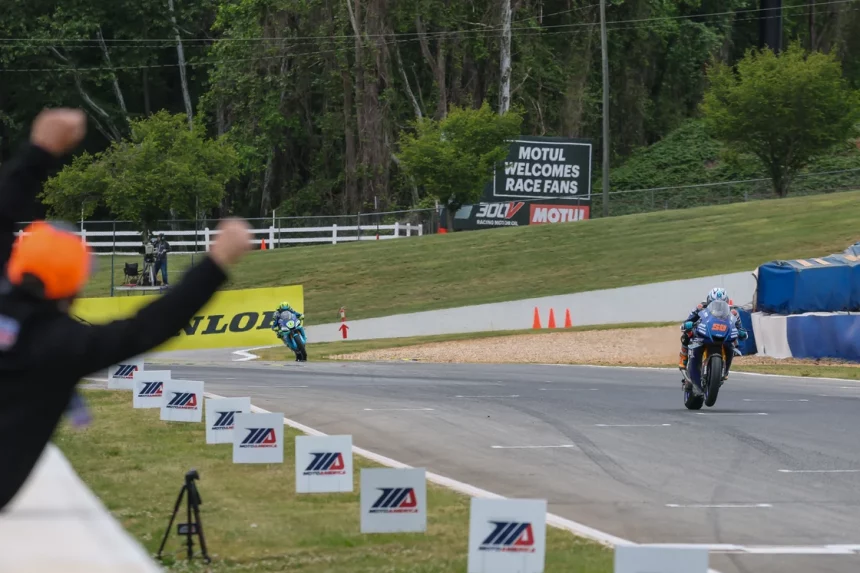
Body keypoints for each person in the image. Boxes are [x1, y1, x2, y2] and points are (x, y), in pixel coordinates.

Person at [0, 109, 252, 511]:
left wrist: (39, 151)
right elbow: (150, 326)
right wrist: (216, 263)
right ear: (77, 285)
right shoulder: (63, 346)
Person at [678, 287, 748, 383]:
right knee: (687, 334)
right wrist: (688, 324)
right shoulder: (700, 308)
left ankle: (725, 369)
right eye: (715, 303)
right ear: (709, 301)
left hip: (723, 334)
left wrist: (741, 333)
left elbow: (740, 328)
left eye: (722, 304)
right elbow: (687, 322)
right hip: (703, 332)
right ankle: (683, 357)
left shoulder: (733, 313)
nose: (718, 307)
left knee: (733, 343)